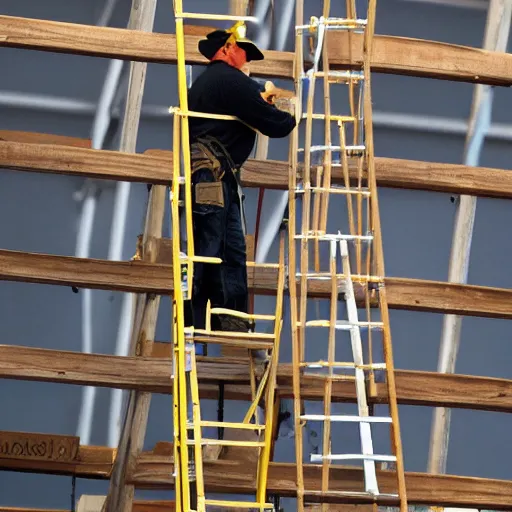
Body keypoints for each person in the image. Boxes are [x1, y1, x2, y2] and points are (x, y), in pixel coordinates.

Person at [186, 22, 297, 337]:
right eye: (241, 51)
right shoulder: (228, 80)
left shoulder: (210, 82)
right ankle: (217, 316)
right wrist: (288, 111)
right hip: (213, 173)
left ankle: (219, 316)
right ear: (225, 49)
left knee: (219, 244)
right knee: (218, 245)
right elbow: (276, 124)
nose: (245, 58)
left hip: (211, 172)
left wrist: (261, 99)